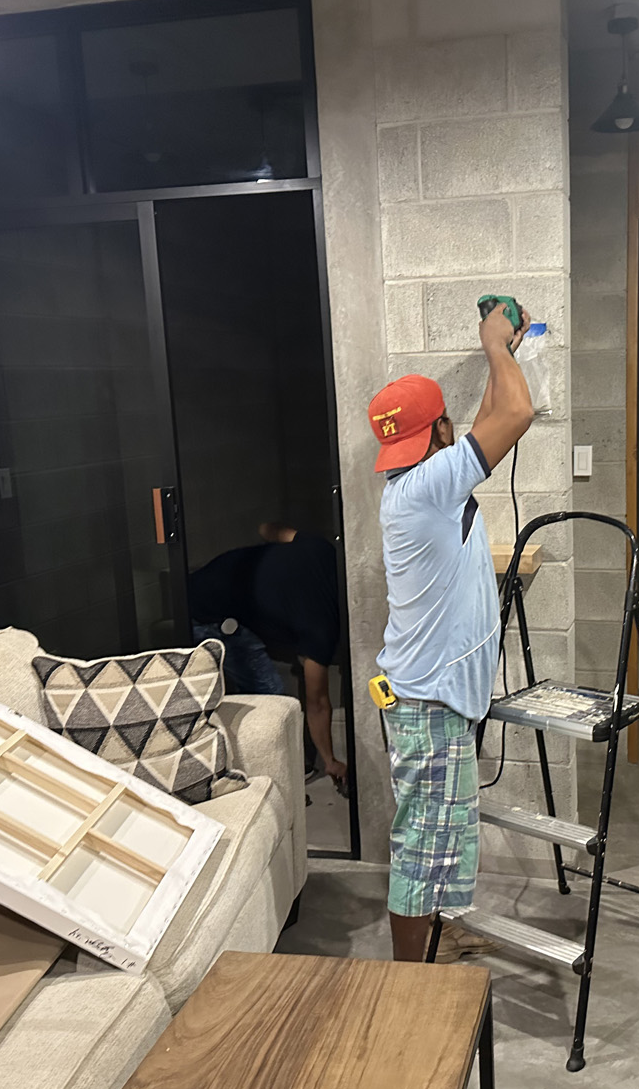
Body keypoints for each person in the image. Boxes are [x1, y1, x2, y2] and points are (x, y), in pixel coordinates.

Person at [368, 302, 534, 962]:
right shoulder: (432, 484)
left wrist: (502, 351)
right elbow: (514, 415)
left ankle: (438, 933)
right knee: (421, 846)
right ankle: (410, 984)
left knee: (442, 835)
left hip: (427, 696)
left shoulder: (413, 481)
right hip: (428, 701)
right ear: (440, 428)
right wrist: (493, 342)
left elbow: (489, 420)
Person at [187, 523, 348, 786]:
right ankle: (276, 774)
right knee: (273, 701)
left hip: (202, 580)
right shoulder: (321, 626)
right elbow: (317, 702)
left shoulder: (321, 549)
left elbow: (266, 529)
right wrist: (330, 760)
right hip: (208, 616)